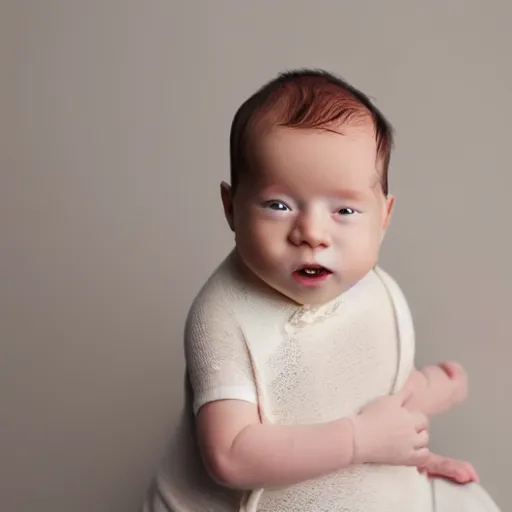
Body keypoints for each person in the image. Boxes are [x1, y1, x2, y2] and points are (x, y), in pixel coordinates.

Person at [142, 69, 500, 511]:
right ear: (231, 209)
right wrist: (362, 439)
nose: (312, 233)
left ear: (383, 217)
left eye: (345, 210)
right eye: (279, 205)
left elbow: (357, 388)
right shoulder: (222, 316)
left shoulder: (371, 291)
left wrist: (416, 416)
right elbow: (230, 454)